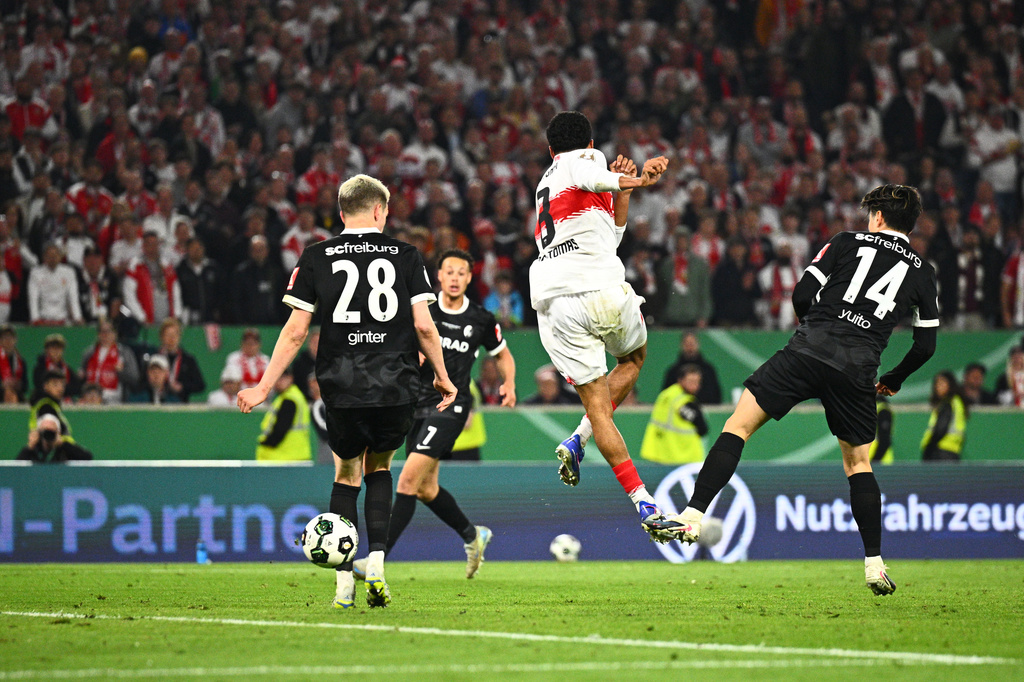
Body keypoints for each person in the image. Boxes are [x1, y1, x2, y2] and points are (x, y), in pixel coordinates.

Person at [673, 185, 939, 596]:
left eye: (872, 213)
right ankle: (874, 564)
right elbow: (925, 346)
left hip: (809, 348)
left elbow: (801, 294)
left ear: (880, 218)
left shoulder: (845, 241)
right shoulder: (923, 271)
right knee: (858, 464)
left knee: (738, 426)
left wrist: (812, 333)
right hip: (858, 368)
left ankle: (692, 514)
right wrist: (893, 379)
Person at [237, 174, 456, 610]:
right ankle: (376, 562)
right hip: (396, 383)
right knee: (380, 469)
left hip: (341, 384)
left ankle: (342, 582)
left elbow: (297, 329)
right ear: (380, 211)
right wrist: (443, 375)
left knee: (345, 476)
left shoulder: (317, 256)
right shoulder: (407, 255)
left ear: (341, 213)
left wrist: (264, 384)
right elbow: (425, 326)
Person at [529, 111, 684, 543]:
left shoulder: (548, 183)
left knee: (598, 408)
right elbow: (595, 175)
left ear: (548, 149)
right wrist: (638, 182)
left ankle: (642, 502)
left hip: (557, 304)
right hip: (602, 290)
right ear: (590, 141)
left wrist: (623, 190)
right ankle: (579, 440)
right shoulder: (583, 163)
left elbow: (612, 232)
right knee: (634, 359)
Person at [353, 248, 516, 581]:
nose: (455, 278)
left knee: (408, 479)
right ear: (438, 276)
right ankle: (473, 535)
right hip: (416, 404)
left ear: (470, 278)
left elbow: (503, 355)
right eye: (449, 271)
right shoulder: (422, 312)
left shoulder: (481, 319)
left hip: (451, 405)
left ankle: (375, 560)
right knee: (426, 489)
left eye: (461, 272)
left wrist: (509, 383)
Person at [640, 364, 708, 464]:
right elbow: (702, 427)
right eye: (690, 381)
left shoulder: (667, 394)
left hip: (659, 452)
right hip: (680, 455)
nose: (695, 385)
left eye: (697, 382)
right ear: (680, 380)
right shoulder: (684, 402)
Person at [255, 364, 311, 461]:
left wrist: (267, 442)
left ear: (290, 378)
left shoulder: (289, 399)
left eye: (282, 378)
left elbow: (280, 429)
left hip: (283, 457)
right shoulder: (293, 396)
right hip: (294, 456)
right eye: (276, 379)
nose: (278, 382)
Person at [80, 318, 140, 403]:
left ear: (115, 333)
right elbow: (83, 375)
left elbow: (135, 378)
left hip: (114, 399)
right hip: (92, 398)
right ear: (98, 334)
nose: (105, 335)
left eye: (108, 331)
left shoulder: (124, 353)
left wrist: (121, 372)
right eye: (102, 332)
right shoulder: (89, 353)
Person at [660, 331, 723, 405]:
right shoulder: (673, 372)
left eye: (692, 343)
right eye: (687, 344)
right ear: (681, 345)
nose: (690, 347)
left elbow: (716, 395)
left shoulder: (708, 370)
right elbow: (666, 396)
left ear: (698, 344)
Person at [155, 317, 205, 402]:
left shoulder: (188, 360)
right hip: (157, 403)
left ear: (179, 337)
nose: (171, 339)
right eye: (168, 335)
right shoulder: (154, 358)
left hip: (181, 404)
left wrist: (182, 387)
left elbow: (200, 385)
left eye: (174, 335)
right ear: (161, 337)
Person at [921, 370, 967, 461]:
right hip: (952, 451)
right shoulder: (957, 402)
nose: (938, 387)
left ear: (950, 385)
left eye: (942, 384)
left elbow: (941, 428)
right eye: (937, 384)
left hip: (941, 453)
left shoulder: (948, 403)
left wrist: (929, 448)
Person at [17, 413, 93, 463]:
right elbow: (15, 467)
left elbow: (87, 457)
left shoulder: (64, 449)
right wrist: (29, 447)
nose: (48, 434)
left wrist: (63, 444)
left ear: (58, 433)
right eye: (45, 431)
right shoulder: (34, 450)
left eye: (52, 431)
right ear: (39, 433)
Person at [28, 369, 74, 440]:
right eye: (55, 384)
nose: (60, 389)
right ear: (45, 386)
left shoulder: (52, 405)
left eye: (62, 385)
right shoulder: (46, 407)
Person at [32, 333, 82, 398]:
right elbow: (40, 386)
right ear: (46, 350)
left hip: (64, 403)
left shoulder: (67, 369)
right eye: (53, 348)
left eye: (59, 348)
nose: (56, 351)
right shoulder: (40, 367)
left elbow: (77, 388)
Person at [0, 323, 26, 403]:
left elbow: (25, 385)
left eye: (11, 337)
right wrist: (2, 385)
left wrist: (18, 384)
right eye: (5, 338)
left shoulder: (20, 362)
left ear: (15, 340)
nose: (8, 341)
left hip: (17, 397)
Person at [869, 395, 894, 464]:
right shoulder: (869, 408)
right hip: (867, 463)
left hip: (881, 463)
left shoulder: (882, 410)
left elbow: (884, 441)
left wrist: (874, 462)